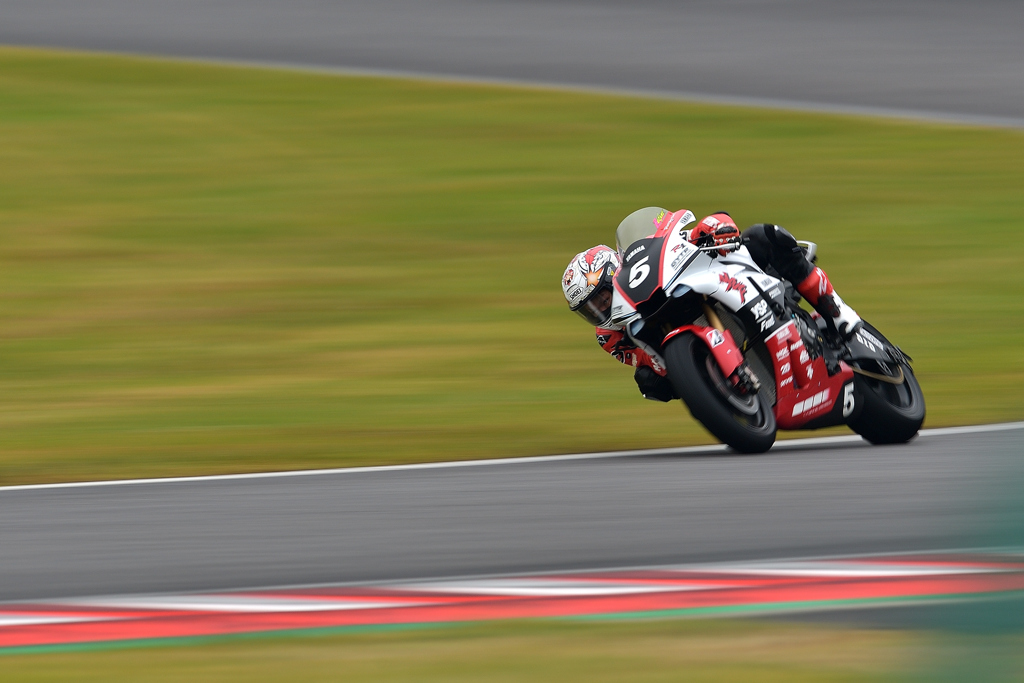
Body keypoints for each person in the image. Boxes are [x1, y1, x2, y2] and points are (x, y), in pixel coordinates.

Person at [561, 209, 862, 403]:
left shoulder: (645, 265)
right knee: (649, 383)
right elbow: (644, 359)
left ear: (617, 271)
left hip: (724, 279)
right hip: (681, 340)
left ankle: (839, 313)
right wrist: (657, 370)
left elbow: (698, 230)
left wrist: (715, 229)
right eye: (591, 309)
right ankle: (727, 392)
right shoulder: (609, 336)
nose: (602, 308)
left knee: (763, 235)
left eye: (602, 296)